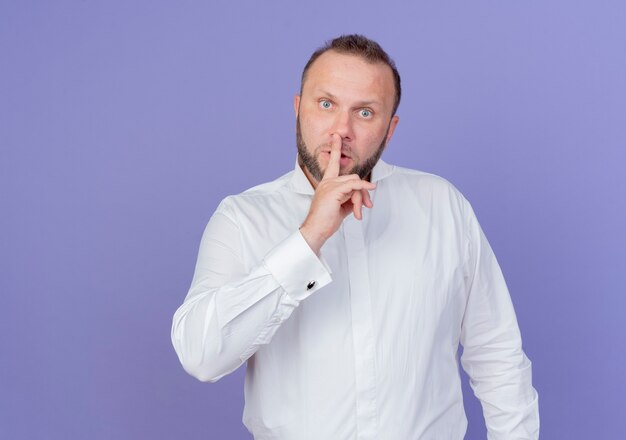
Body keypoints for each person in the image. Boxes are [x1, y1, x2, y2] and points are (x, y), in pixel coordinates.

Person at [171, 34, 539, 439]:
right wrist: (309, 237)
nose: (340, 130)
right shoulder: (242, 219)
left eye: (364, 112)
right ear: (298, 109)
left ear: (389, 129)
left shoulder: (442, 205)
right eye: (325, 104)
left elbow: (498, 356)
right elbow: (201, 356)